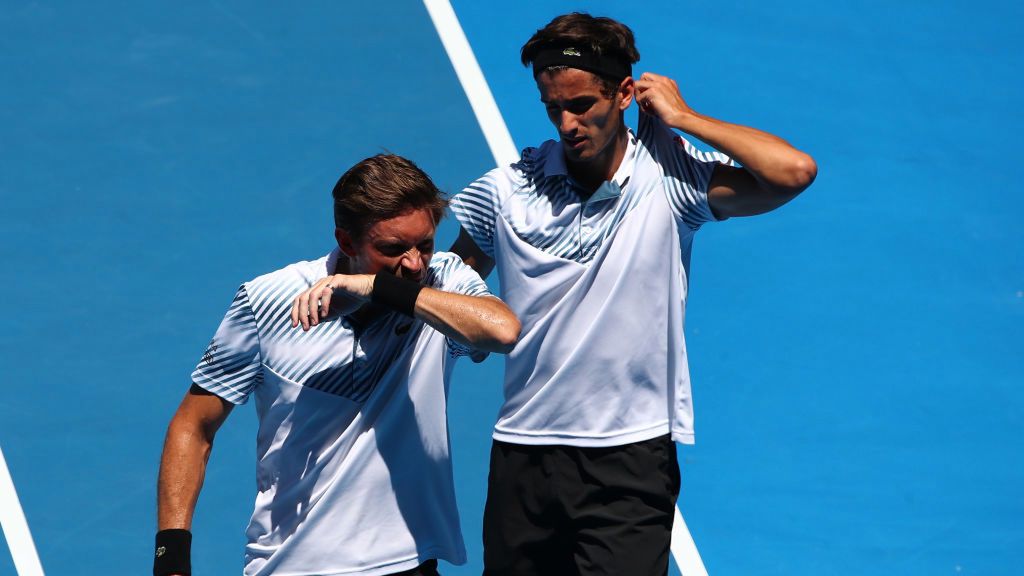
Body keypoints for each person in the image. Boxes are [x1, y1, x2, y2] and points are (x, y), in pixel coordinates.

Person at [449, 13, 817, 576]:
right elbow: (455, 277)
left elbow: (792, 171)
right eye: (553, 109)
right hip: (523, 450)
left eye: (581, 106)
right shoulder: (505, 191)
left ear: (624, 94)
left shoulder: (671, 184)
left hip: (631, 457)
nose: (567, 124)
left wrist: (685, 118)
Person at [155, 154, 521, 576]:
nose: (415, 263)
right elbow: (193, 425)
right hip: (292, 564)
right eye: (393, 249)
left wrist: (378, 287)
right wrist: (171, 555)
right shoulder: (267, 300)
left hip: (406, 560)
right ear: (347, 243)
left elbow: (503, 330)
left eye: (425, 243)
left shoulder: (441, 283)